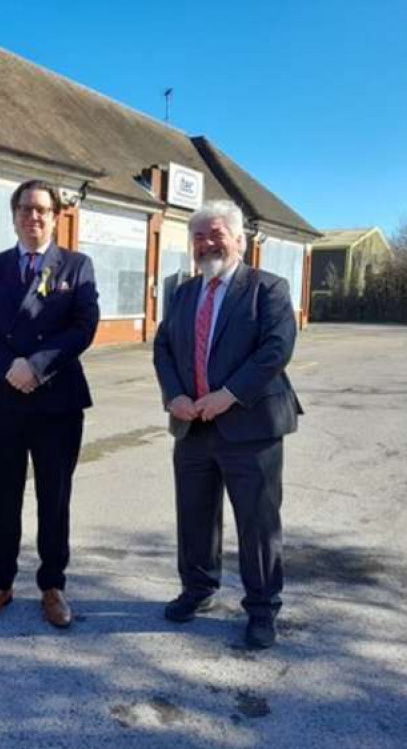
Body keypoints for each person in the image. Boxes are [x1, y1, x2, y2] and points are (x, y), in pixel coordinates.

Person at [152, 199, 302, 649]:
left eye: (217, 234)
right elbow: (163, 349)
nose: (207, 243)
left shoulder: (268, 289)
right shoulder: (182, 292)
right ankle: (197, 589)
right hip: (193, 426)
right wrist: (175, 396)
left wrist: (228, 395)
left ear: (240, 240)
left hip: (250, 426)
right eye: (199, 236)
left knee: (257, 522)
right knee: (194, 516)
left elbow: (275, 350)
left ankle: (261, 608)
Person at [0, 179, 99, 629]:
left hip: (56, 402)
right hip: (2, 398)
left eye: (42, 209)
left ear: (55, 216)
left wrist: (36, 366)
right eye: (25, 208)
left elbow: (83, 327)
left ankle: (52, 585)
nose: (33, 216)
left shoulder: (77, 266)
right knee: (2, 496)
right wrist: (9, 367)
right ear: (14, 215)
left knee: (54, 497)